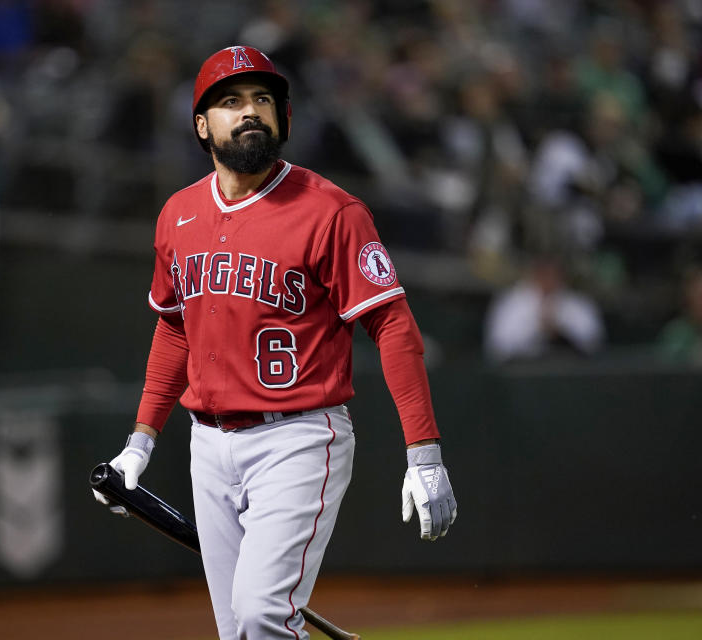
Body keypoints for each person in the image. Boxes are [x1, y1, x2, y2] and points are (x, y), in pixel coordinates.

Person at [92, 46, 457, 640]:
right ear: (202, 126)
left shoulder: (332, 211)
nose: (250, 111)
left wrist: (424, 452)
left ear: (283, 117)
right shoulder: (178, 214)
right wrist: (140, 441)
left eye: (262, 99)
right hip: (208, 444)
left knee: (263, 615)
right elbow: (174, 328)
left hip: (298, 437)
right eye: (231, 101)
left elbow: (392, 325)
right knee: (238, 631)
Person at [484, 254, 605, 363]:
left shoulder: (577, 303)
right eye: (544, 274)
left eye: (554, 274)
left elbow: (594, 341)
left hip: (567, 369)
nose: (549, 279)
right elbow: (497, 346)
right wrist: (537, 328)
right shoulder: (512, 302)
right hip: (522, 371)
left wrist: (561, 329)